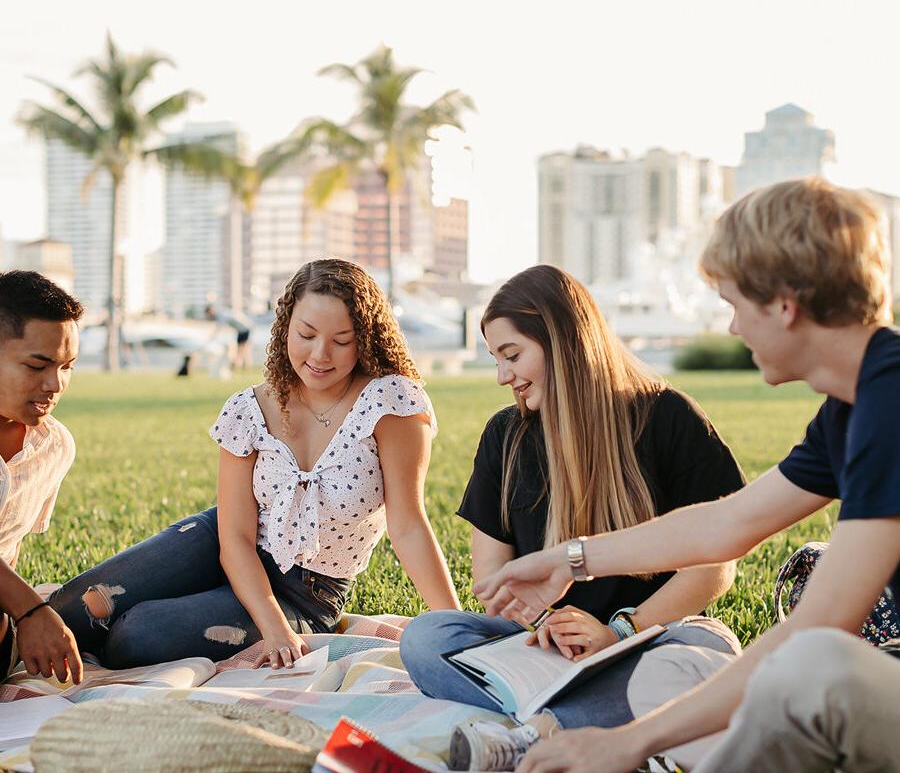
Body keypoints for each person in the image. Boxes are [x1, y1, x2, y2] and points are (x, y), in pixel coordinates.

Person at [475, 178, 900, 773]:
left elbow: (819, 627)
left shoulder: (890, 402)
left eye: (733, 305)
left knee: (812, 667)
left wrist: (629, 742)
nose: (732, 329)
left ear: (784, 303)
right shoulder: (852, 409)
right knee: (694, 687)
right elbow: (729, 522)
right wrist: (568, 560)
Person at [399, 264, 747, 771]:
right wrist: (545, 625)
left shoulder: (667, 416)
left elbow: (714, 566)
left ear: (562, 339)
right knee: (426, 638)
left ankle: (536, 733)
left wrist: (619, 632)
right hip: (543, 653)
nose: (503, 376)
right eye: (497, 359)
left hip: (646, 640)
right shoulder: (505, 437)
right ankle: (602, 714)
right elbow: (493, 586)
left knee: (705, 645)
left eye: (512, 355)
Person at [50, 259, 461, 670]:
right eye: (306, 334)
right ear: (285, 328)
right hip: (219, 544)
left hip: (306, 593)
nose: (320, 354)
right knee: (81, 605)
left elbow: (408, 526)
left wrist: (457, 630)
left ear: (365, 339)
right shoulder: (247, 410)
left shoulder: (391, 403)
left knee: (136, 636)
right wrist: (269, 625)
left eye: (342, 339)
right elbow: (234, 538)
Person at [0, 271, 84, 685]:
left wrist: (24, 614)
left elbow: (9, 551)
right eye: (38, 365)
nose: (55, 385)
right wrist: (31, 609)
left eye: (67, 367)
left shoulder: (54, 446)